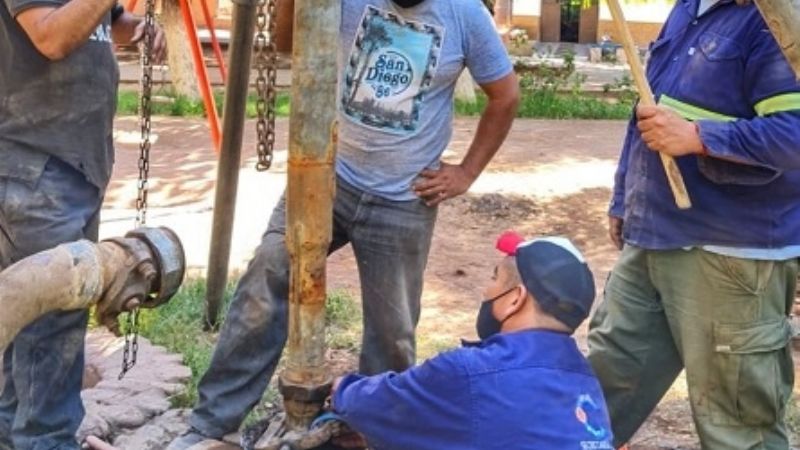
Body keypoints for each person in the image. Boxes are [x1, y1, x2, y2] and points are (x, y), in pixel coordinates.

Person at [168, 0, 519, 447]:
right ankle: (212, 424)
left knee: (392, 331)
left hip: (403, 198)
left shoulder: (465, 15)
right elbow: (285, 43)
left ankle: (368, 431)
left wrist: (466, 172)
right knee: (268, 275)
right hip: (324, 174)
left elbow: (505, 94)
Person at [587, 0, 800, 448]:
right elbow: (649, 108)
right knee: (601, 392)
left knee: (736, 428)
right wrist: (625, 195)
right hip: (652, 239)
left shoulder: (777, 16)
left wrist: (699, 136)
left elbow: (794, 133)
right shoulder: (689, 7)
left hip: (731, 257)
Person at [0, 1, 165, 448]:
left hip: (75, 167)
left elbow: (106, 24)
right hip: (37, 165)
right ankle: (45, 440)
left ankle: (17, 434)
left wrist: (138, 28)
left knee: (32, 320)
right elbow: (51, 38)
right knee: (54, 320)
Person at [328, 231, 613, 450]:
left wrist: (342, 389)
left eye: (494, 278)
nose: (485, 292)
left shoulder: (470, 372)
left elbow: (368, 405)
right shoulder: (587, 383)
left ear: (516, 298)